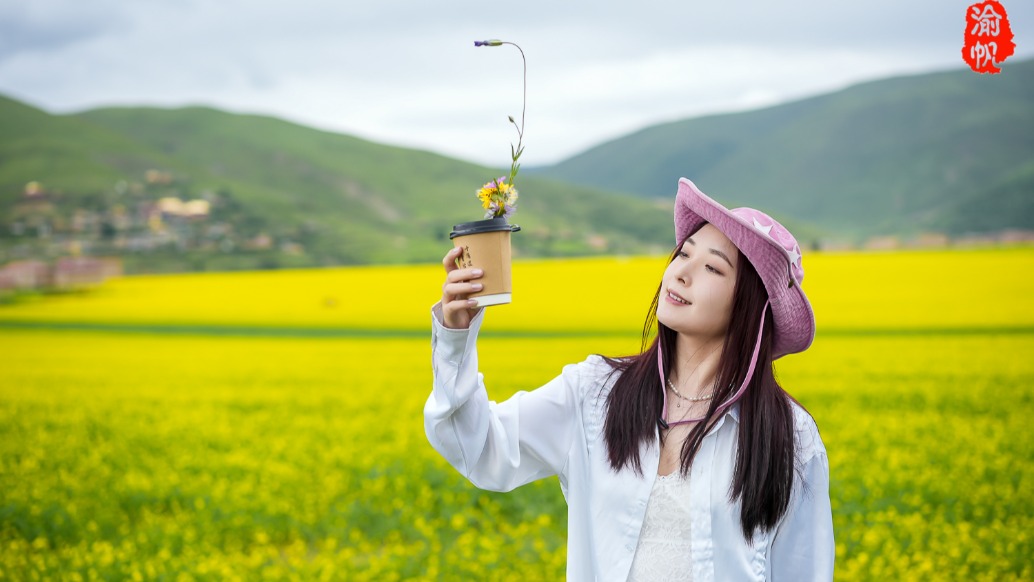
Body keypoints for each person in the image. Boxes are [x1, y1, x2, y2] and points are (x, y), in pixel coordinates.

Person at [425, 178, 834, 581]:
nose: (681, 273)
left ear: (750, 304)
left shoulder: (789, 436)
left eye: (712, 267)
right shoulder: (594, 393)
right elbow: (479, 448)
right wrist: (455, 338)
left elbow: (804, 570)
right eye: (683, 254)